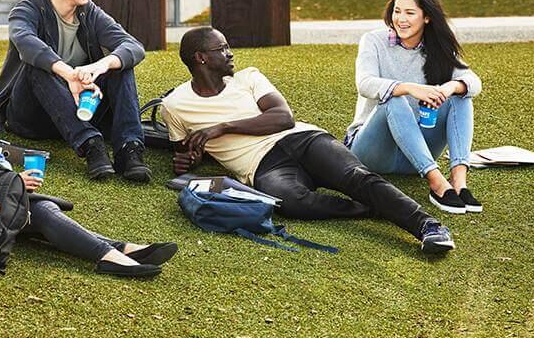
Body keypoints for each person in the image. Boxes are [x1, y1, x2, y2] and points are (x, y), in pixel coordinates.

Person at [0, 15, 176, 278]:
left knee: (38, 210)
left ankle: (119, 251)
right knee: (39, 210)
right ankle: (114, 255)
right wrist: (11, 183)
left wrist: (8, 181)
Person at [161, 25, 456, 255]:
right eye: (222, 48)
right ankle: (371, 207)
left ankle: (428, 226)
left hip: (302, 138)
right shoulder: (175, 105)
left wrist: (221, 128)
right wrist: (190, 160)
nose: (230, 53)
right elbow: (184, 154)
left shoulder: (248, 77)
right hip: (262, 166)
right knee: (290, 203)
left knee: (356, 177)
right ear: (201, 58)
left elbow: (282, 117)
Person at [0, 0, 150, 183]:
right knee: (37, 65)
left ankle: (128, 149)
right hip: (32, 117)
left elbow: (133, 46)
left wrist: (101, 65)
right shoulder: (27, 9)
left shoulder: (89, 12)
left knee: (120, 63)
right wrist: (70, 75)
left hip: (82, 109)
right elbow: (27, 44)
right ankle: (91, 145)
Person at [346, 0, 483, 215]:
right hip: (373, 151)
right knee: (393, 98)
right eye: (397, 11)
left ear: (426, 17)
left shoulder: (438, 46)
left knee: (462, 94)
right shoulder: (373, 41)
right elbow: (365, 84)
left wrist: (449, 87)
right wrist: (409, 88)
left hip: (416, 151)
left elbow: (473, 82)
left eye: (409, 13)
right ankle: (437, 183)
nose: (401, 19)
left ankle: (459, 182)